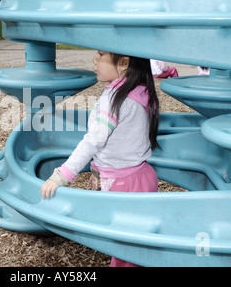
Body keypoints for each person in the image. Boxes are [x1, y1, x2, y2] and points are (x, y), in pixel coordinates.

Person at [41, 50, 160, 267]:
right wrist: (97, 170)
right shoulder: (141, 91)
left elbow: (93, 140)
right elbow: (122, 142)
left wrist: (62, 175)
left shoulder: (114, 98)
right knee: (140, 244)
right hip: (143, 177)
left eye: (101, 54)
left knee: (124, 250)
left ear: (124, 63)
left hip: (122, 186)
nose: (94, 60)